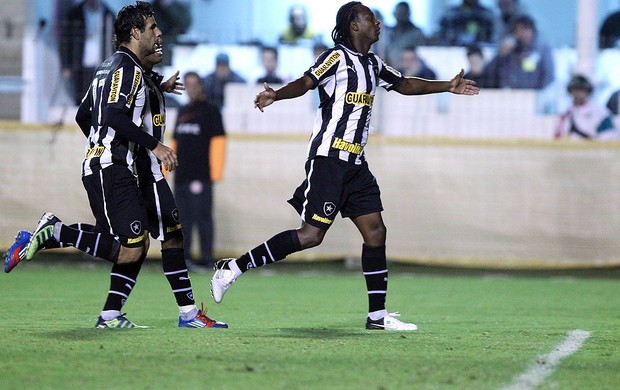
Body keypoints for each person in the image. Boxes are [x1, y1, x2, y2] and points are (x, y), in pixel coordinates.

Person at [210, 2, 479, 331]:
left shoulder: (374, 64)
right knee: (311, 236)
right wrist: (277, 95)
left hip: (356, 164)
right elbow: (307, 82)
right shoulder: (335, 57)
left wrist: (447, 87)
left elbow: (406, 83)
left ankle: (377, 317)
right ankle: (232, 268)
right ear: (354, 25)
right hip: (329, 160)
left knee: (376, 232)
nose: (377, 23)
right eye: (370, 18)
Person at [4, 1, 226, 329]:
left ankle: (163, 313)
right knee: (129, 247)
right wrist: (139, 145)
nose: (159, 33)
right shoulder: (127, 69)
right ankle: (56, 232)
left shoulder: (123, 70)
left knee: (163, 236)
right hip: (117, 167)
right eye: (152, 27)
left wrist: (103, 138)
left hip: (125, 166)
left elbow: (86, 115)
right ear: (135, 33)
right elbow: (110, 116)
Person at [173, 71, 227, 270]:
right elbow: (175, 142)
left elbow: (220, 142)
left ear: (201, 85)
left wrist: (215, 174)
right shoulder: (182, 111)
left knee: (203, 219)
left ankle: (206, 259)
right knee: (182, 221)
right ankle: (184, 258)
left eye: (195, 84)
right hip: (181, 176)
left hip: (201, 176)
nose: (192, 88)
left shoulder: (211, 111)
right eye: (188, 84)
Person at [58, 0, 115, 105]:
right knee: (80, 99)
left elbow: (115, 42)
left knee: (100, 99)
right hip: (79, 65)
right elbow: (66, 42)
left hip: (102, 65)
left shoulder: (108, 15)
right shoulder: (74, 14)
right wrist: (66, 65)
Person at [483, 15, 554, 89]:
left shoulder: (542, 49)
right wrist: (500, 55)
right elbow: (488, 74)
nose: (522, 34)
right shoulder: (509, 49)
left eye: (525, 29)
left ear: (532, 31)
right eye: (518, 30)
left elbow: (549, 76)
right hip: (507, 95)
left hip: (534, 95)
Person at [555, 75, 618, 140]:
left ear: (588, 92)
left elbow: (610, 134)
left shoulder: (600, 112)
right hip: (572, 149)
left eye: (581, 90)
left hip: (596, 148)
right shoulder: (566, 114)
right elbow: (558, 137)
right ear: (570, 92)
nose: (578, 93)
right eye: (575, 89)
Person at [150, 0, 192, 66]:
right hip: (153, 48)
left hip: (173, 46)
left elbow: (184, 24)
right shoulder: (149, 9)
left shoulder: (179, 7)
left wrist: (169, 6)